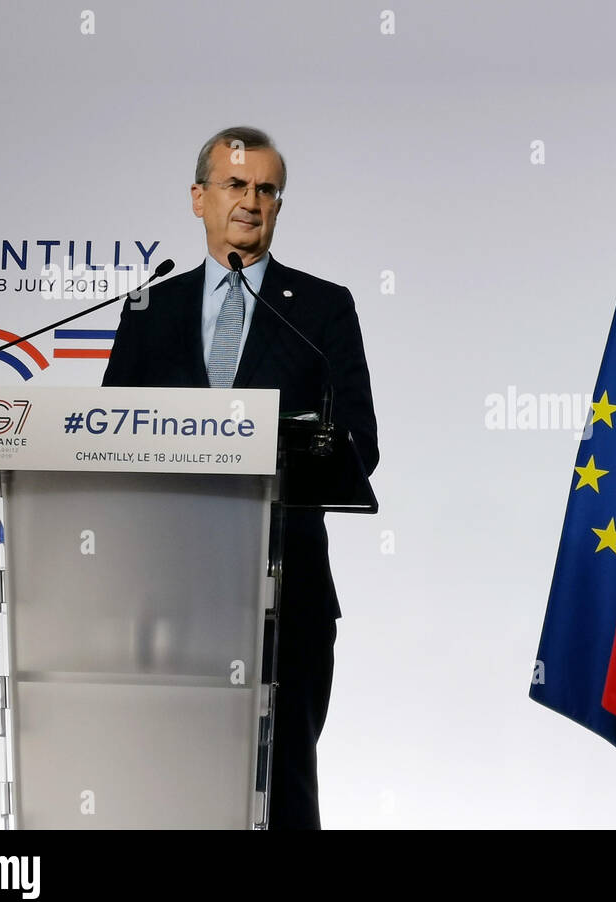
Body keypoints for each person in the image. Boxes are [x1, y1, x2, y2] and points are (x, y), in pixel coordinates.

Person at [102, 127, 379, 828]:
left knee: (283, 785)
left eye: (266, 189)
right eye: (235, 185)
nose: (251, 201)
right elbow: (107, 439)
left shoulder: (321, 308)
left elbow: (361, 442)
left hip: (288, 594)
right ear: (199, 198)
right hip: (167, 592)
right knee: (165, 780)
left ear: (278, 204)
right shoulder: (147, 310)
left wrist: (273, 445)